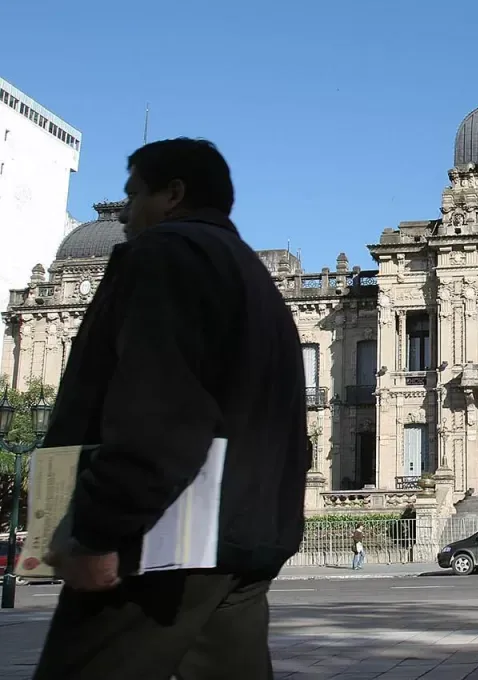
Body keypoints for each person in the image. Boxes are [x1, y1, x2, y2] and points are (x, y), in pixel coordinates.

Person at [33, 138, 308, 680]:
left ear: (173, 194)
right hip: (246, 546)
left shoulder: (164, 254)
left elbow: (160, 409)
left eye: (134, 195)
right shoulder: (257, 283)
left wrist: (99, 527)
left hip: (165, 542)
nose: (127, 213)